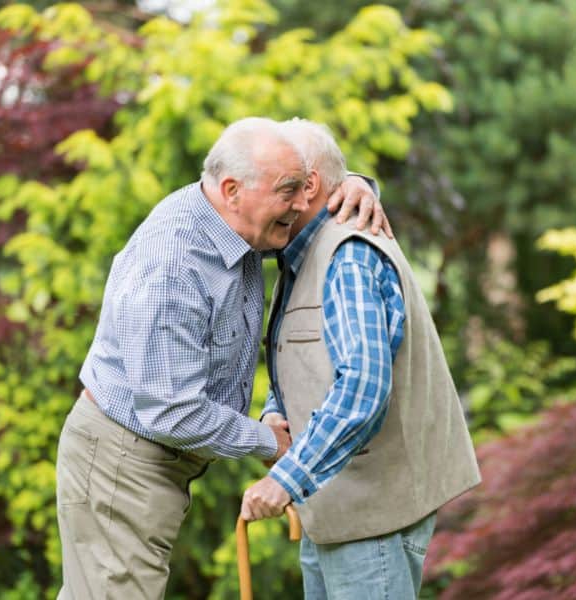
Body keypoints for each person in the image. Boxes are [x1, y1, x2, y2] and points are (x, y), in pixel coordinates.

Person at [55, 117, 387, 599]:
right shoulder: (174, 266)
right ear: (232, 189)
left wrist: (354, 184)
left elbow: (309, 202)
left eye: (303, 189)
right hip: (123, 462)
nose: (299, 204)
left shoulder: (242, 223)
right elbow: (170, 409)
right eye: (288, 190)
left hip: (147, 457)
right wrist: (267, 441)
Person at [240, 119, 481, 599]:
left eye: (278, 183)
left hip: (374, 517)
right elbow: (303, 356)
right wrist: (276, 410)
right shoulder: (299, 256)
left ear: (308, 187)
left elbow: (363, 389)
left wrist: (285, 480)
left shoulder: (347, 256)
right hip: (332, 508)